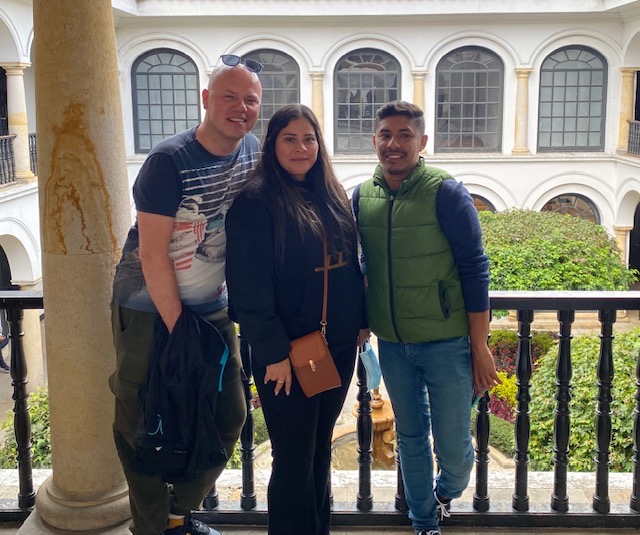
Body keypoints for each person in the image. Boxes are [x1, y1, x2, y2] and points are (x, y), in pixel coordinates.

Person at [109, 56, 263, 535]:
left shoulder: (251, 149)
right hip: (148, 312)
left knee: (230, 415)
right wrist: (180, 331)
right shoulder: (168, 160)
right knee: (141, 424)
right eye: (229, 97)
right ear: (206, 99)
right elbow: (153, 254)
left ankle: (176, 515)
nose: (240, 107)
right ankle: (152, 529)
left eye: (251, 99)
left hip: (212, 310)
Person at [353, 101, 501, 535]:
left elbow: (475, 269)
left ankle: (443, 492)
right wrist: (362, 318)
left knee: (455, 450)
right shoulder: (362, 197)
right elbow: (360, 265)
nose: (394, 144)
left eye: (405, 135)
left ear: (423, 142)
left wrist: (479, 346)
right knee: (411, 438)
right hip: (393, 344)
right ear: (374, 140)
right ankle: (423, 521)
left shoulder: (446, 192)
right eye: (385, 134)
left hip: (447, 342)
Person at [225, 104, 368, 535]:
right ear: (272, 144)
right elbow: (249, 288)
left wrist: (360, 321)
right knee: (292, 457)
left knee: (319, 448)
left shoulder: (331, 194)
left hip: (335, 347)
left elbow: (349, 268)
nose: (301, 148)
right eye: (290, 139)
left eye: (309, 139)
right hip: (287, 354)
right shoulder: (255, 202)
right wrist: (273, 354)